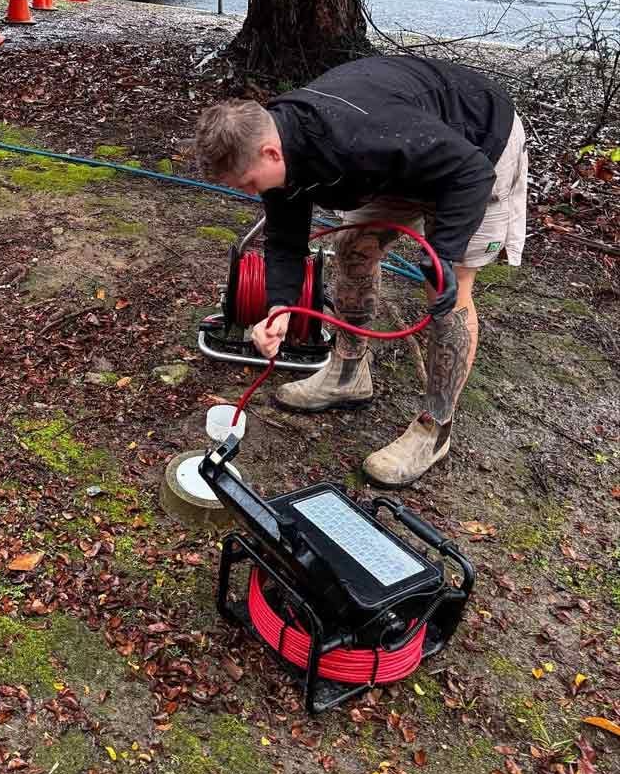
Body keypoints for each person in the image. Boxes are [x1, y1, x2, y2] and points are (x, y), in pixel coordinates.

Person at [194, 55, 528, 487]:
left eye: (248, 184)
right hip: (410, 151)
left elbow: (469, 171)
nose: (249, 192)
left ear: (270, 151)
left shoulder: (357, 138)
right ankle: (349, 373)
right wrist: (280, 307)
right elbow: (286, 241)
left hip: (477, 146)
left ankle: (435, 428)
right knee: (353, 247)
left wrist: (442, 254)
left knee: (446, 288)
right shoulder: (281, 149)